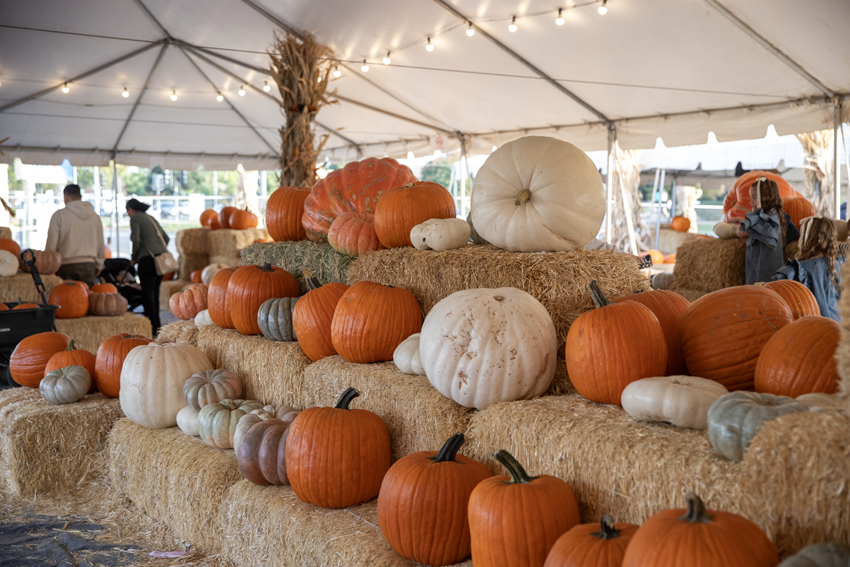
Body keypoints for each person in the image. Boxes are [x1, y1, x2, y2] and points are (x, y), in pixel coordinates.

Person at [774, 216, 844, 321]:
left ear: (808, 239)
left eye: (802, 235)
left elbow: (779, 294)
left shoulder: (798, 270)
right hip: (839, 329)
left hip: (813, 329)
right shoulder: (839, 266)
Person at [736, 177, 799, 284]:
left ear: (765, 196)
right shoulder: (778, 216)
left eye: (754, 197)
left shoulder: (762, 220)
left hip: (763, 279)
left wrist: (735, 225)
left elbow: (740, 232)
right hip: (770, 277)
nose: (751, 202)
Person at [45, 184, 105, 287]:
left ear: (66, 196)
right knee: (86, 298)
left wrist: (48, 265)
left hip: (65, 265)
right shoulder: (95, 217)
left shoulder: (59, 215)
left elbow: (52, 244)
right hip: (89, 265)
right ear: (80, 196)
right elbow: (100, 242)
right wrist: (99, 264)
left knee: (66, 298)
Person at [127, 198, 169, 335]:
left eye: (127, 211)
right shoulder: (150, 217)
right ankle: (158, 326)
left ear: (131, 209)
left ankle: (150, 326)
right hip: (160, 260)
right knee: (155, 293)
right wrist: (157, 250)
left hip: (147, 260)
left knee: (147, 294)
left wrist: (134, 258)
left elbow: (136, 240)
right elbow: (166, 238)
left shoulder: (135, 219)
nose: (128, 214)